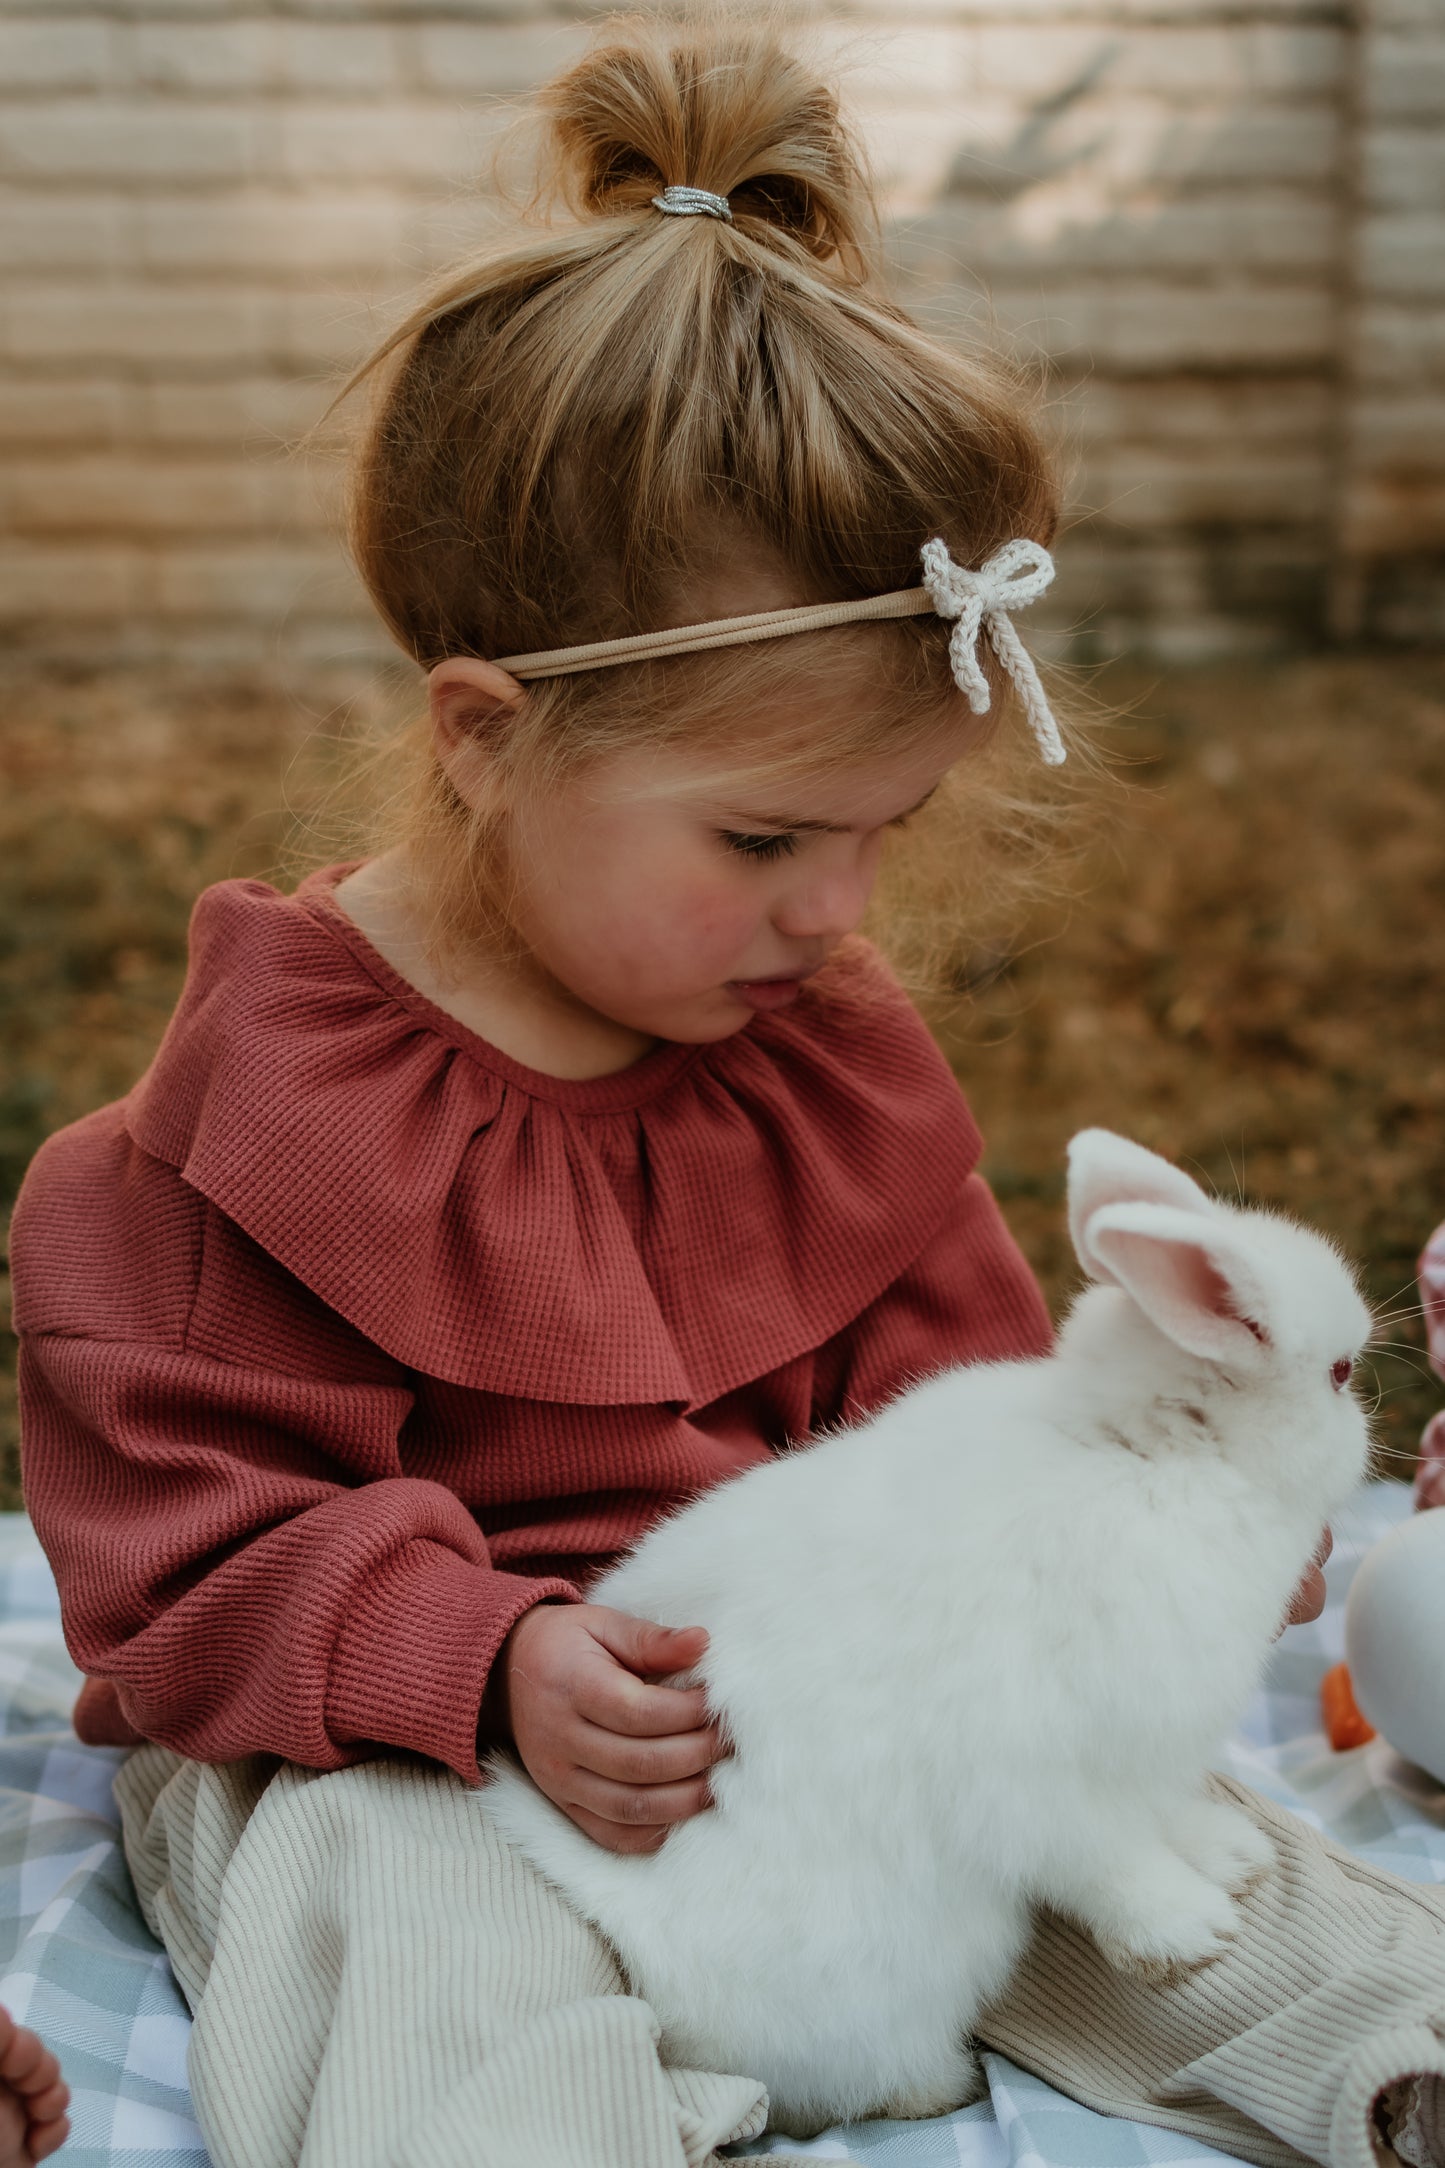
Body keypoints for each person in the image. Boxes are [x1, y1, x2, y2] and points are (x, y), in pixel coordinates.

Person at [7, 20, 1443, 2168]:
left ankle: (1389, 2046)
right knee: (398, 1929)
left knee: (1144, 1854)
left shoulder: (815, 1068)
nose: (836, 907)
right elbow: (184, 1555)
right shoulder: (260, 1119)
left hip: (815, 1696)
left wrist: (1144, 1541)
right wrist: (482, 1661)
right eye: (769, 843)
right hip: (402, 1740)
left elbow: (976, 1436)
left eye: (886, 826)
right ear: (488, 735)